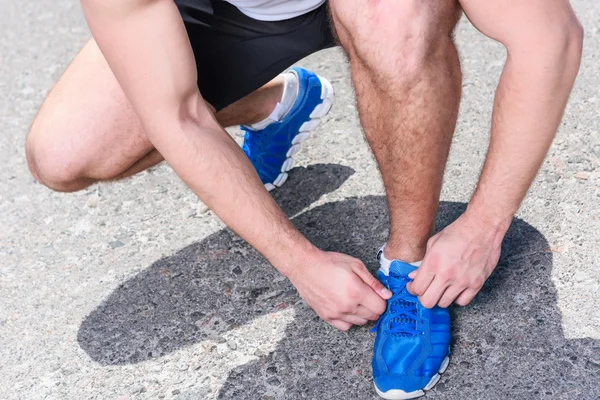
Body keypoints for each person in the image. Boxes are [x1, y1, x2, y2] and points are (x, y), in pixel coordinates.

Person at [25, 0, 583, 398]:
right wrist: (300, 262)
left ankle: (407, 264)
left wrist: (484, 224)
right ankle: (273, 106)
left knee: (394, 25)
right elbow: (175, 114)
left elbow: (548, 37)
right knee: (67, 153)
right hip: (227, 14)